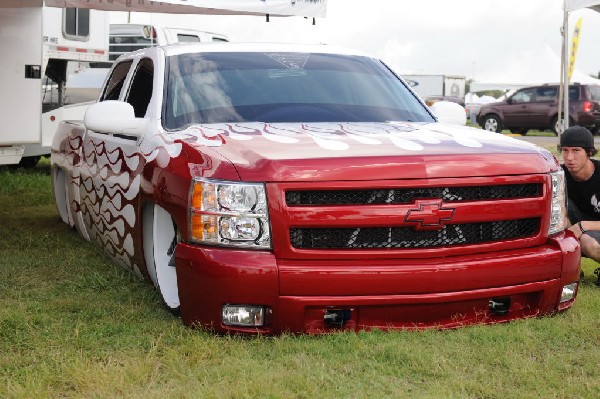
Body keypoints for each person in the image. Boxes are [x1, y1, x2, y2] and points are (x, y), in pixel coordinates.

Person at [560, 125, 600, 285]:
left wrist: (582, 226)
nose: (569, 157)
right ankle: (571, 269)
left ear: (589, 152)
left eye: (576, 151)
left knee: (588, 242)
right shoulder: (559, 174)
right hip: (577, 229)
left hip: (592, 231)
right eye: (565, 150)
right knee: (557, 202)